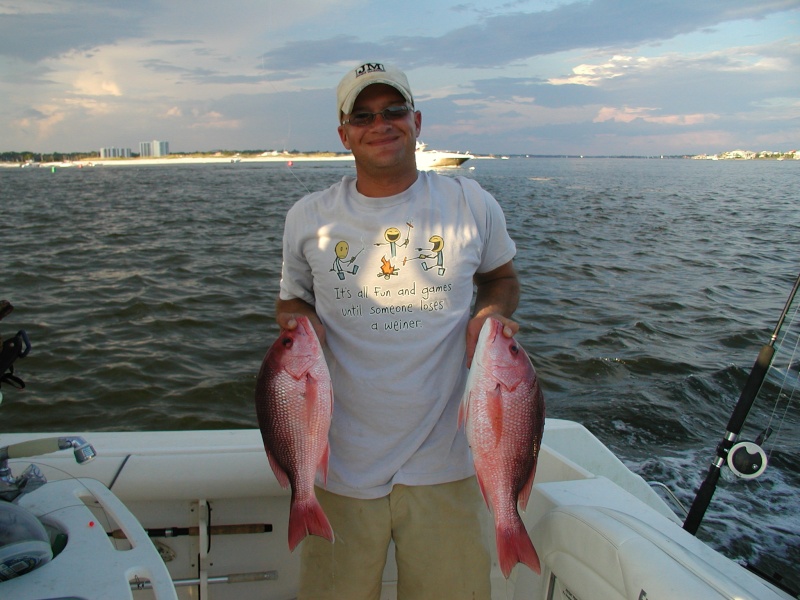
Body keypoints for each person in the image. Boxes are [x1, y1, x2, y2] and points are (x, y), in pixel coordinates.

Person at [276, 61, 520, 599]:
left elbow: (501, 277)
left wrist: (491, 314)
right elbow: (291, 297)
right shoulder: (307, 217)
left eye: (394, 111)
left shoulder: (471, 204)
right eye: (363, 115)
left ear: (417, 120)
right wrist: (297, 318)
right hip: (339, 464)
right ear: (343, 134)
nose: (380, 124)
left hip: (449, 462)